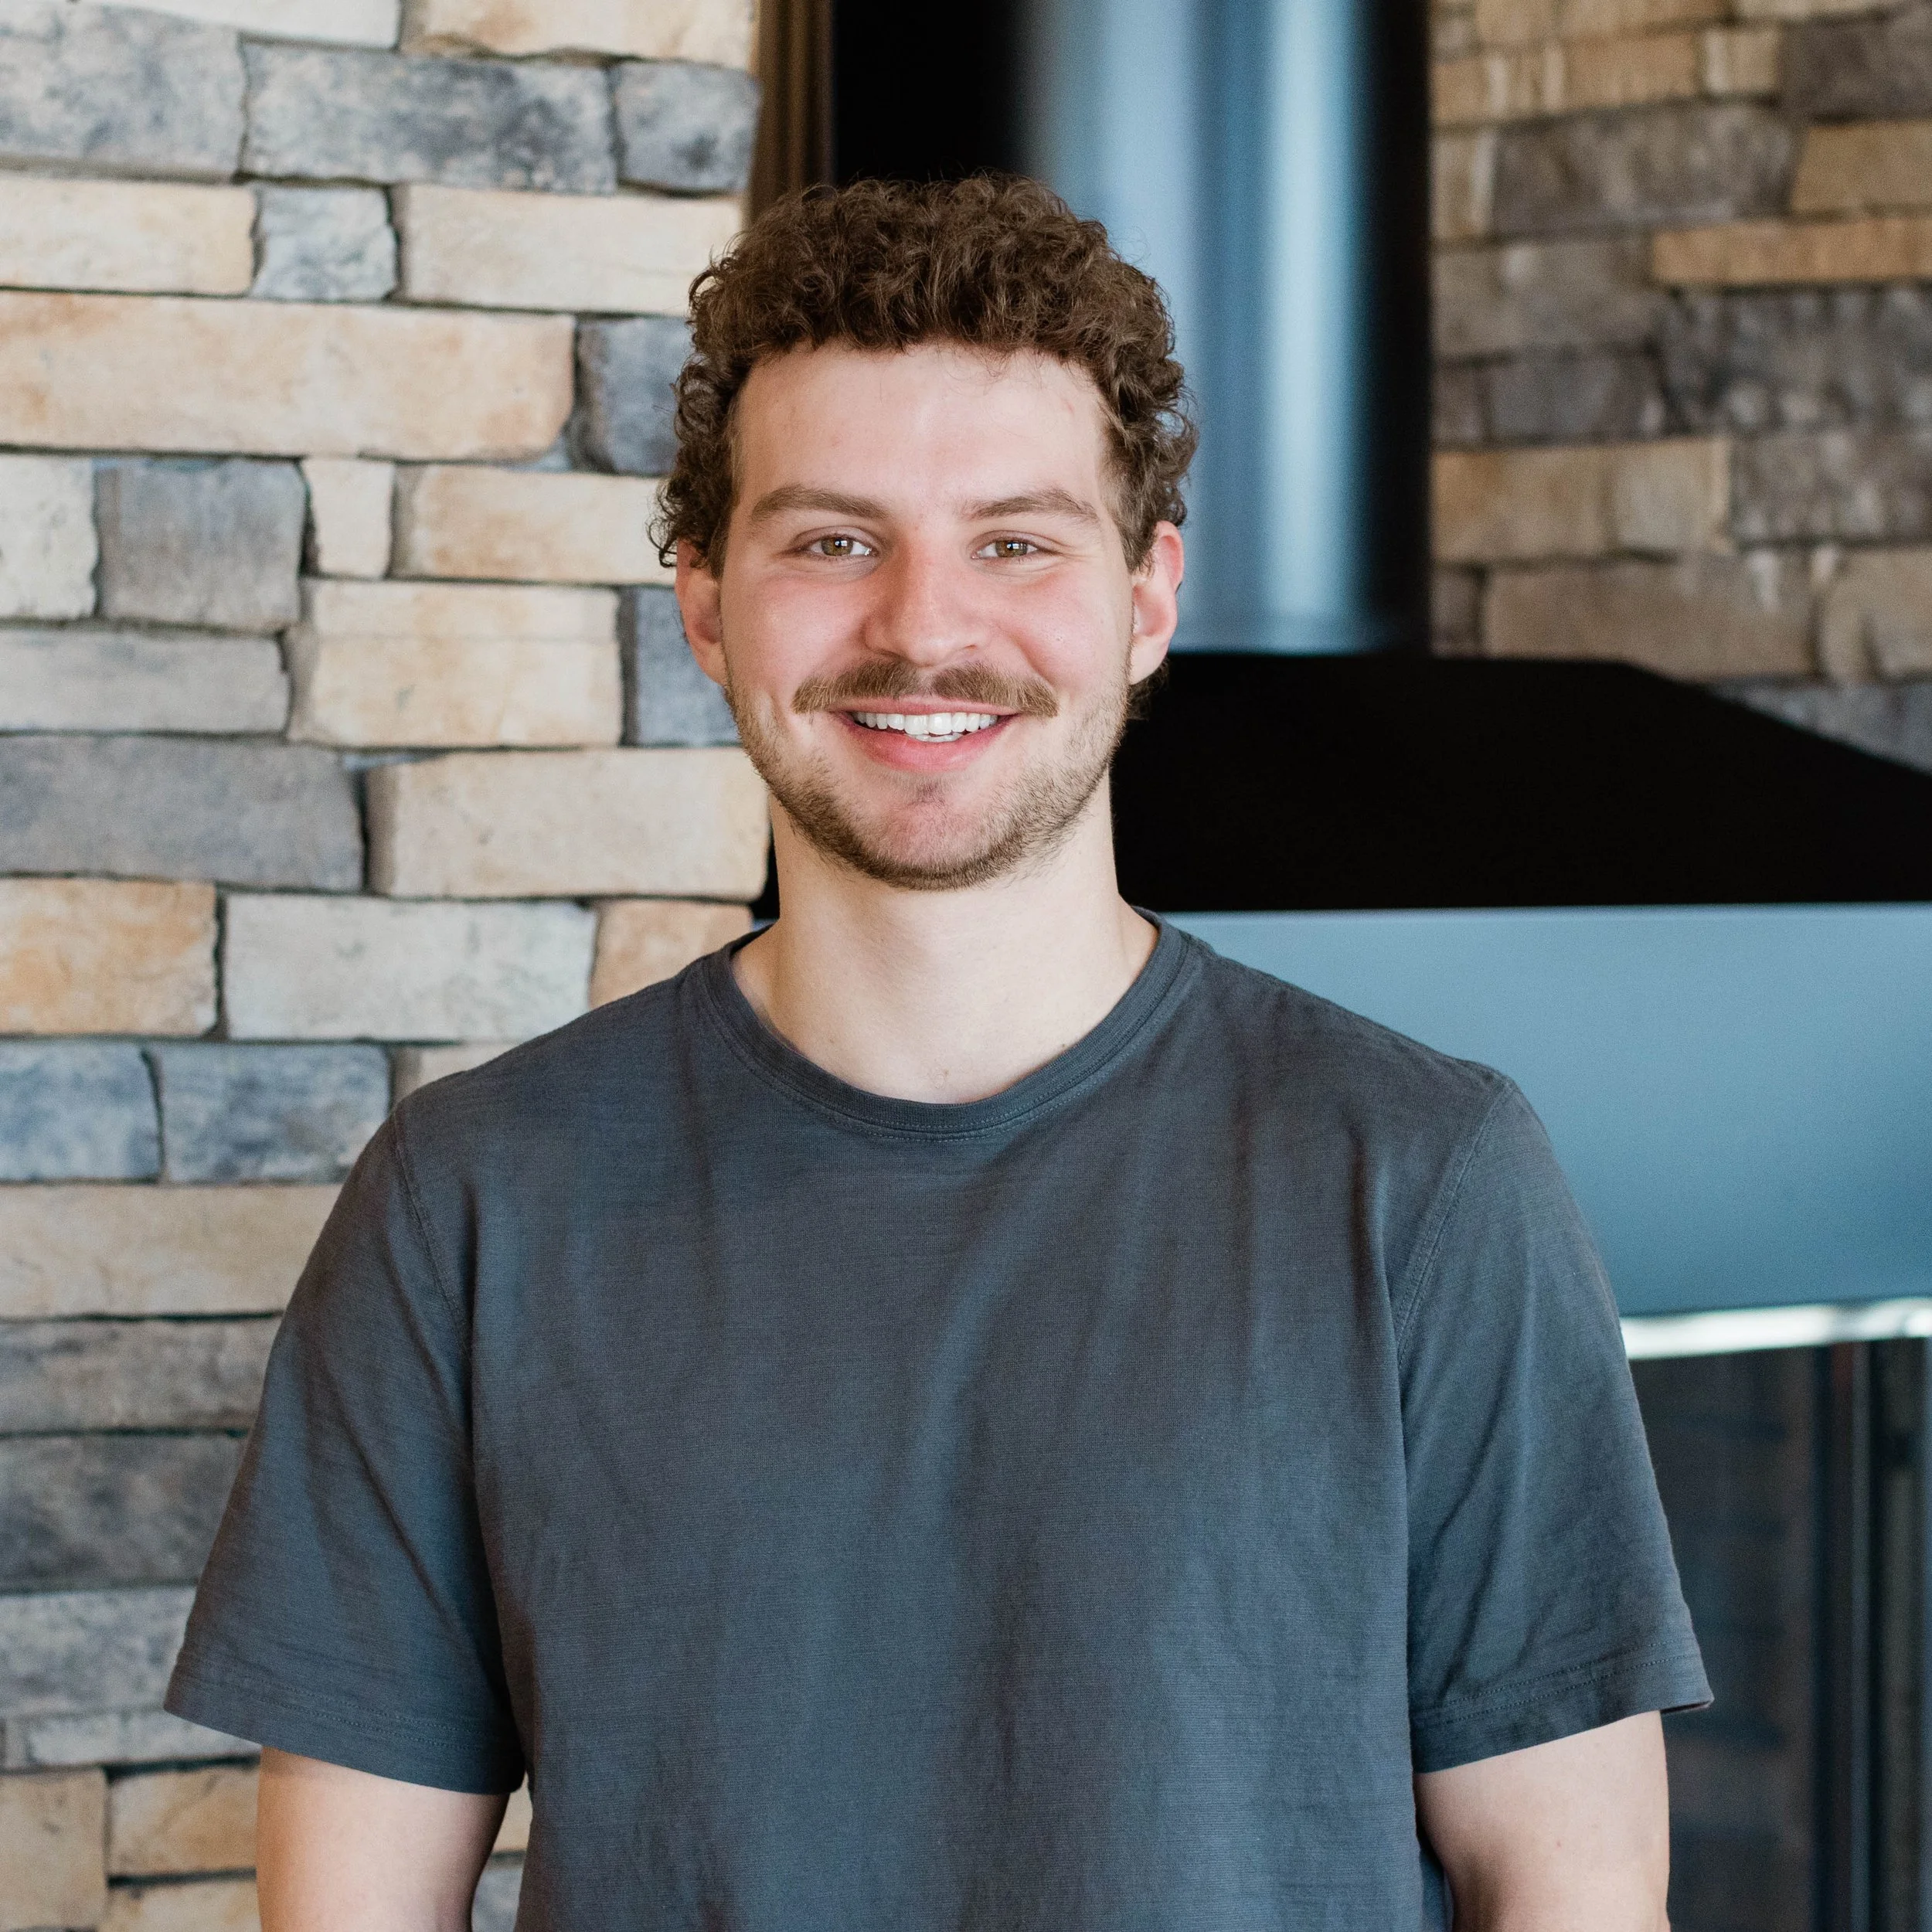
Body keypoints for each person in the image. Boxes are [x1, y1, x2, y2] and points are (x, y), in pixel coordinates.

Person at [168, 176, 1707, 1932]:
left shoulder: (1419, 1179)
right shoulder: (468, 1203)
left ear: (1144, 599)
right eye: (831, 539)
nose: (921, 625)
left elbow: (1573, 1891)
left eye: (1015, 540)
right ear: (702, 602)